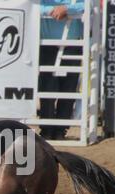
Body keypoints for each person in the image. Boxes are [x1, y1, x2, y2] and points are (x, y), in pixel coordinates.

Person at [39, 0, 85, 140]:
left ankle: (60, 130)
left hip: (73, 43)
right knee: (47, 87)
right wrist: (51, 10)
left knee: (69, 88)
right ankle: (46, 129)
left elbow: (88, 5)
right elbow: (32, 6)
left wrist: (67, 9)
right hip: (46, 44)